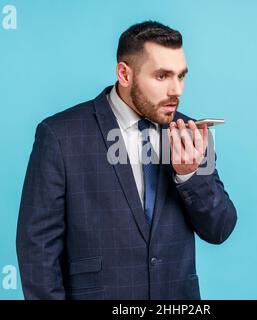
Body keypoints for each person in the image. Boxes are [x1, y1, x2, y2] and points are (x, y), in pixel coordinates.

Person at [16, 20, 237, 300]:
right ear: (124, 74)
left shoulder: (190, 133)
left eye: (181, 76)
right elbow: (38, 249)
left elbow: (219, 229)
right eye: (162, 76)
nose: (176, 90)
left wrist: (189, 176)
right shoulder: (60, 135)